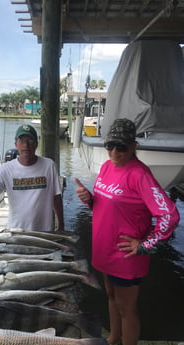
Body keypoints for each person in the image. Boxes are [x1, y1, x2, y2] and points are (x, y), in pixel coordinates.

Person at [75, 118, 180, 345]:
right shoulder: (105, 166)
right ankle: (113, 339)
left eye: (121, 146)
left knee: (127, 309)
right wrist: (90, 200)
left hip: (125, 257)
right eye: (110, 145)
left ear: (133, 146)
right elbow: (106, 206)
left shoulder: (140, 175)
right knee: (111, 298)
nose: (114, 151)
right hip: (104, 250)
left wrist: (145, 245)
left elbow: (169, 215)